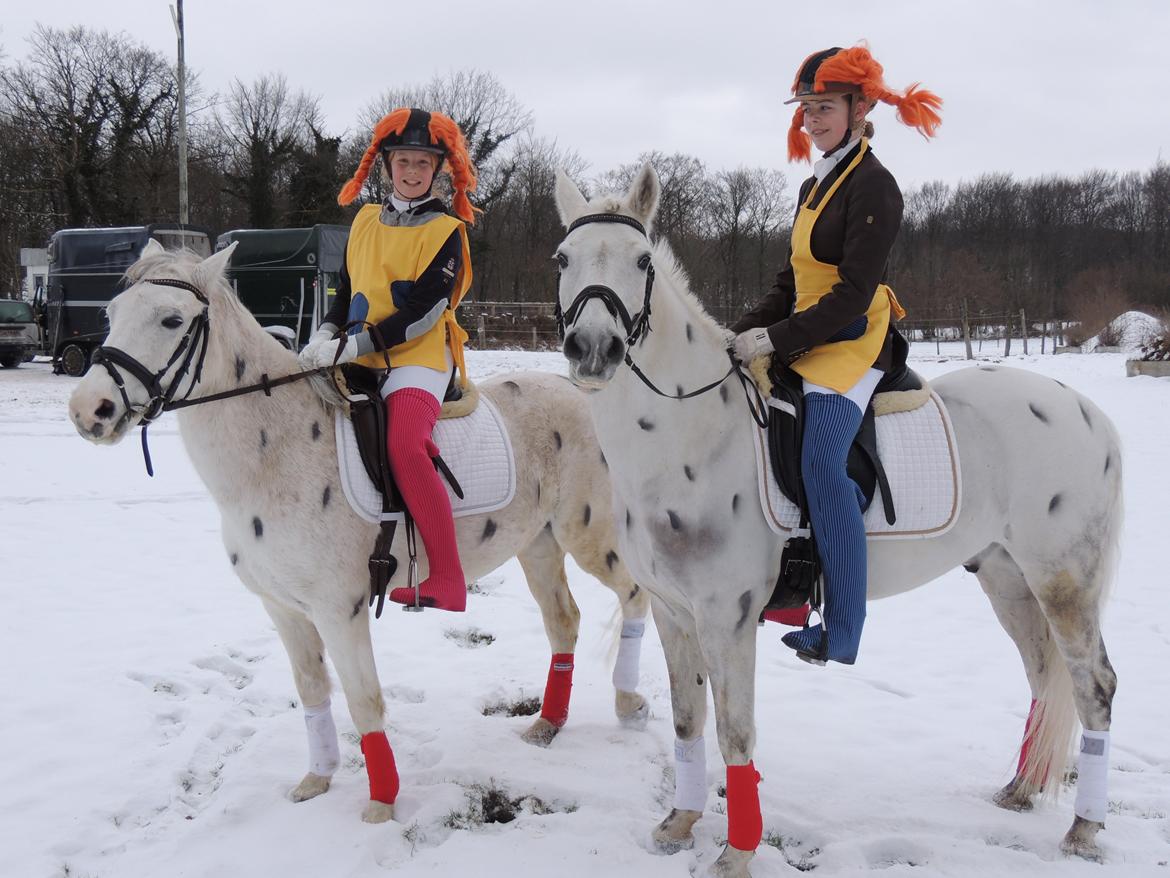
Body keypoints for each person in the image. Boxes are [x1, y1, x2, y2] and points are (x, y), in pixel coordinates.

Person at [731, 45, 942, 664]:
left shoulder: (875, 185)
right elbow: (788, 284)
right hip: (804, 328)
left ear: (860, 107)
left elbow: (850, 296)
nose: (811, 120)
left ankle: (844, 625)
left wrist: (774, 340)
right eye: (805, 109)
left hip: (850, 340)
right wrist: (737, 330)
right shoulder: (813, 184)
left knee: (823, 464)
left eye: (822, 107)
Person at [300, 107, 476, 612]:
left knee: (404, 444)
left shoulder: (448, 230)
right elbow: (347, 286)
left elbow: (424, 312)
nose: (413, 171)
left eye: (423, 162)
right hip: (358, 348)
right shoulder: (363, 220)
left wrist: (357, 344)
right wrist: (329, 330)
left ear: (438, 169)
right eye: (404, 161)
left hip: (417, 357)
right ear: (387, 166)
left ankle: (447, 576)